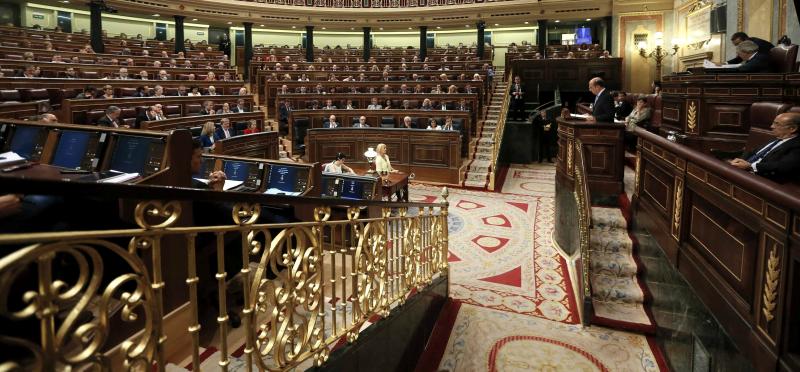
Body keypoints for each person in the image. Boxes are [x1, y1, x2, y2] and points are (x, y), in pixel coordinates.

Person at [729, 112, 800, 183]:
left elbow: (783, 166)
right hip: (745, 171)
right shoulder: (776, 139)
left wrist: (750, 166)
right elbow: (753, 153)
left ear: (792, 128)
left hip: (762, 179)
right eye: (773, 123)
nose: (772, 126)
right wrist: (740, 161)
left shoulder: (797, 145)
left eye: (777, 124)